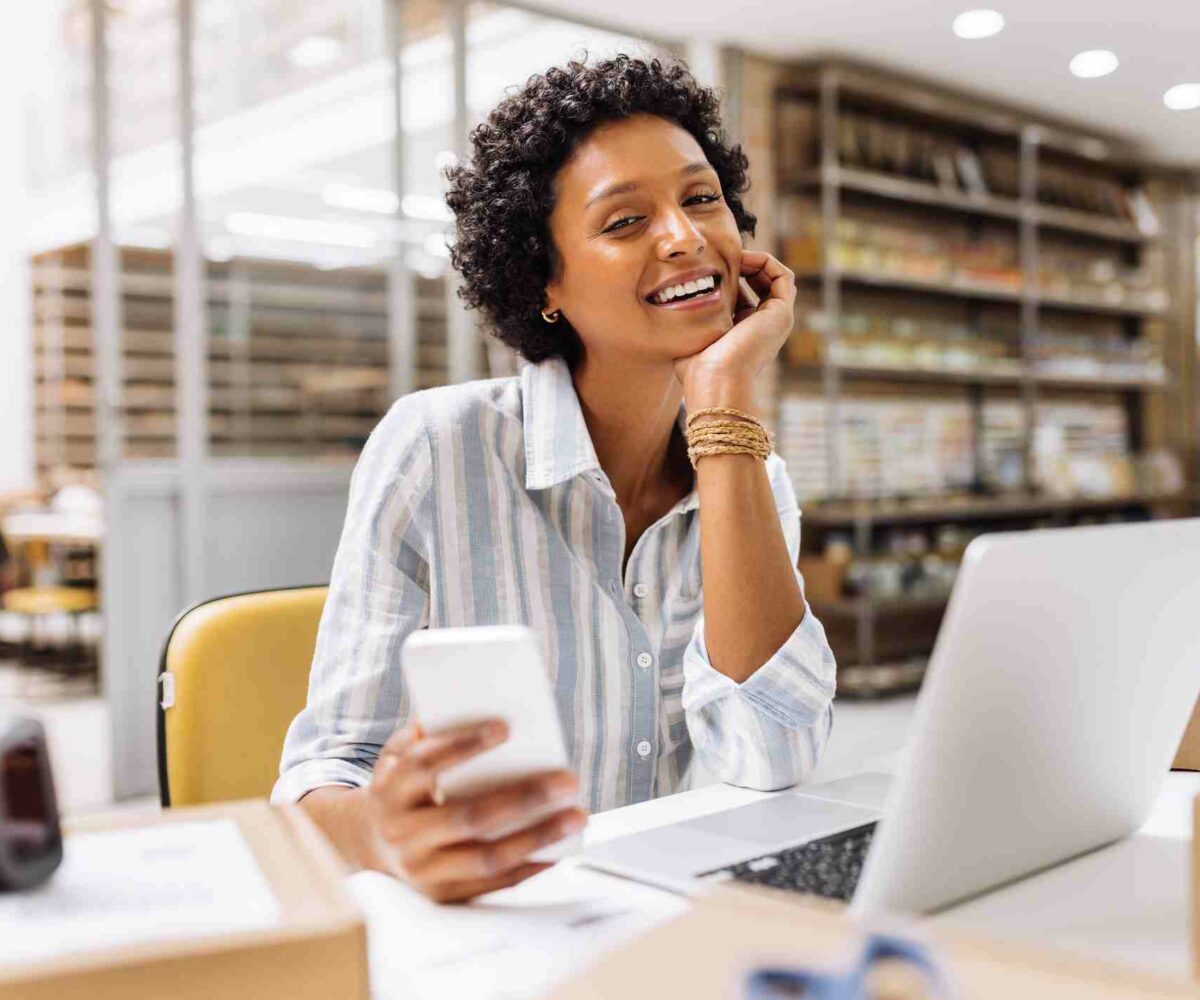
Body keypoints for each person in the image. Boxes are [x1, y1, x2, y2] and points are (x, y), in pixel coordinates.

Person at [271, 54, 836, 903]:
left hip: (666, 910)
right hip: (496, 924)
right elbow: (325, 771)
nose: (684, 238)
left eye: (701, 197)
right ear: (543, 282)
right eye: (623, 222)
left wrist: (722, 401)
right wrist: (384, 831)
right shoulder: (437, 449)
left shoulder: (747, 476)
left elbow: (776, 757)